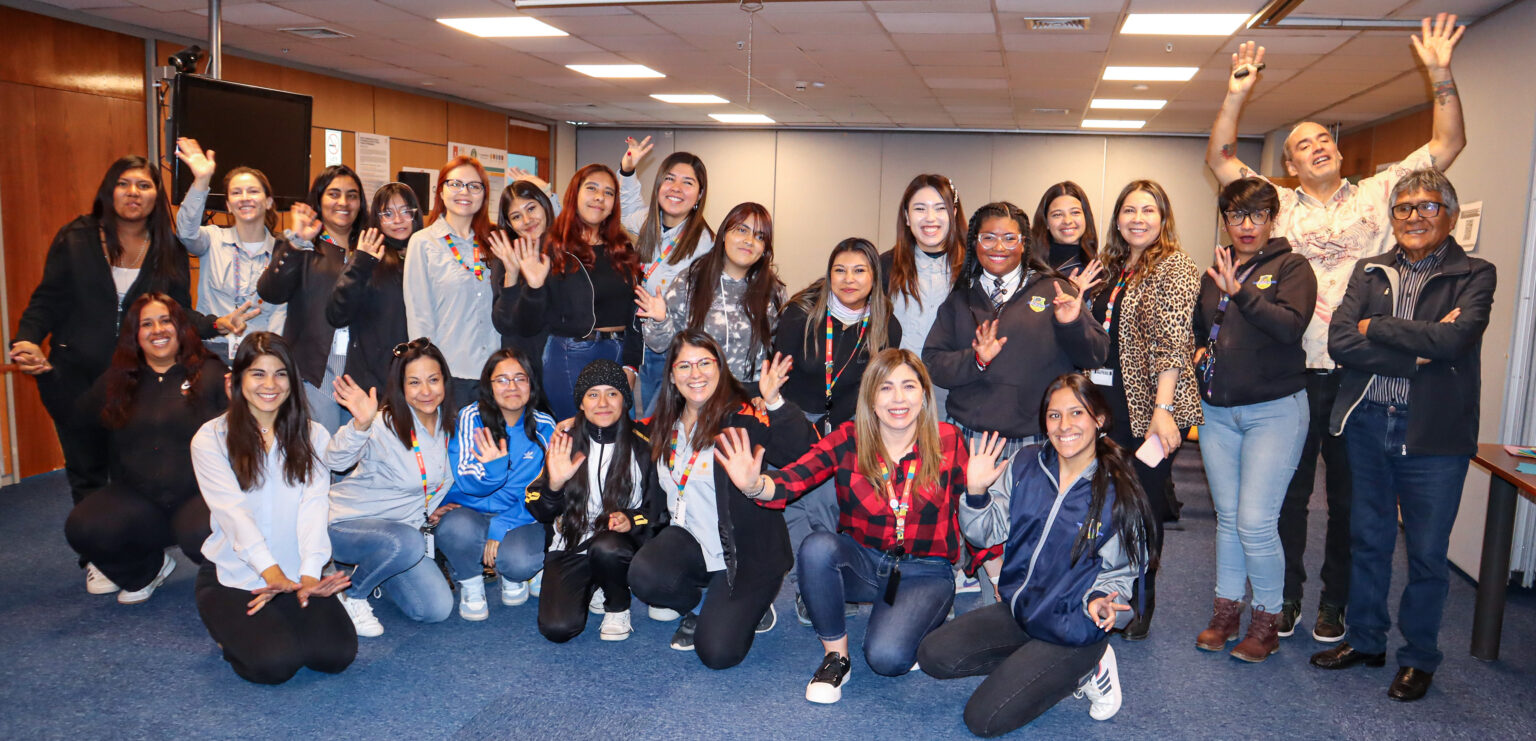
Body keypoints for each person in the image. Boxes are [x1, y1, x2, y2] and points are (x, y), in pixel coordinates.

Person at [1205, 14, 1468, 640]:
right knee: (1288, 500)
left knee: (1352, 501)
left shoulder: (1381, 193)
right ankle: (1286, 600)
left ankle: (1335, 602)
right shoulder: (1277, 205)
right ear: (1288, 163)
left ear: (1339, 150)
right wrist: (1237, 93)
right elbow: (1219, 157)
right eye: (1301, 144)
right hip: (1292, 374)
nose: (1315, 146)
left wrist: (1439, 71)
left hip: (1362, 368)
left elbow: (1450, 144)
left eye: (1324, 138)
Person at [1310, 169, 1495, 703]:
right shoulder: (1370, 271)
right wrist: (1416, 350)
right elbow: (1341, 342)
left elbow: (1455, 340)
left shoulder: (1476, 274)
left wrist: (1378, 328)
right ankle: (1366, 641)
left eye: (1428, 206)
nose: (1414, 217)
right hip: (1368, 424)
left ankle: (1418, 658)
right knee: (1367, 540)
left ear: (1451, 215)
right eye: (1403, 209)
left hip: (1434, 435)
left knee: (1428, 554)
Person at [716, 349, 967, 703]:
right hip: (864, 562)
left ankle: (920, 614)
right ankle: (836, 657)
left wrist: (996, 569)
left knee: (887, 659)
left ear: (924, 395)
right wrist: (754, 485)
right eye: (885, 388)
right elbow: (796, 478)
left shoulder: (949, 440)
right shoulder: (849, 438)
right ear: (871, 399)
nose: (898, 398)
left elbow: (972, 514)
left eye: (909, 387)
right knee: (818, 547)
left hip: (925, 569)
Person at [918, 374, 1161, 736]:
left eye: (1076, 413)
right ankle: (1037, 664)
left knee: (982, 719)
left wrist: (1101, 600)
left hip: (1073, 627)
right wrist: (975, 492)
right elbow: (984, 532)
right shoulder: (1025, 464)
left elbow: (1124, 571)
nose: (1064, 426)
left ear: (1098, 419)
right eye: (1054, 415)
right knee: (933, 655)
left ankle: (1089, 664)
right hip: (1021, 611)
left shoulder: (1119, 490)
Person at [10, 155, 246, 519]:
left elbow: (177, 311)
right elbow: (47, 299)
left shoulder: (168, 248)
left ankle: (137, 555)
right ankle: (98, 559)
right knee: (84, 465)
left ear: (156, 196)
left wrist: (217, 323)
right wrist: (26, 339)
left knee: (130, 469)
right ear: (109, 191)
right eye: (124, 184)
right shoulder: (77, 237)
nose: (133, 192)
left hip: (136, 376)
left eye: (144, 185)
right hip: (75, 372)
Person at [628, 330, 815, 668]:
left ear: (721, 368)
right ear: (671, 375)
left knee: (717, 653)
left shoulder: (743, 417)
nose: (695, 374)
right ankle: (703, 603)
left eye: (704, 363)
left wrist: (773, 403)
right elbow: (623, 432)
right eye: (684, 366)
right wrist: (578, 424)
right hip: (692, 541)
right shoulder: (665, 423)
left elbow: (802, 453)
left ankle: (755, 605)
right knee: (644, 575)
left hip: (746, 553)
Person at [1192, 179, 1317, 661]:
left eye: (1258, 216)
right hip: (1218, 413)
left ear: (1272, 220)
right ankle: (1226, 611)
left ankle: (1267, 619)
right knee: (1228, 520)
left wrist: (1241, 292)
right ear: (1224, 219)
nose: (1247, 226)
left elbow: (1290, 326)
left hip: (1275, 411)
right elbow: (1202, 329)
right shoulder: (1213, 270)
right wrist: (1201, 348)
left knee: (1256, 522)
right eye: (1237, 216)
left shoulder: (1292, 266)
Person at [189, 332, 355, 685]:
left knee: (335, 655)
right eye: (258, 373)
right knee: (274, 665)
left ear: (292, 382)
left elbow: (313, 510)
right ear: (236, 380)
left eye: (280, 373)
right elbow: (234, 516)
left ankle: (277, 613)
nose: (270, 384)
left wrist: (310, 576)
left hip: (296, 575)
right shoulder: (211, 438)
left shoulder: (314, 436)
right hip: (237, 576)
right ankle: (222, 624)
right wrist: (272, 575)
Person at [1086, 179, 1201, 640]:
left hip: (1153, 407)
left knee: (1145, 505)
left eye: (1148, 210)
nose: (1137, 218)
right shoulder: (1113, 266)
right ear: (1117, 218)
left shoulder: (1175, 267)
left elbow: (1173, 342)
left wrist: (1164, 408)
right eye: (1129, 210)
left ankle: (1140, 602)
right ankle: (1106, 593)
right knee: (1109, 504)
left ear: (1163, 217)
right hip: (1107, 404)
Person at [64, 294, 227, 603]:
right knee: (83, 526)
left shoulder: (211, 373)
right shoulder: (117, 380)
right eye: (146, 324)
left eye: (166, 321)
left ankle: (228, 593)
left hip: (198, 498)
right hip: (139, 501)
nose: (158, 330)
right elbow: (78, 422)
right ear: (135, 335)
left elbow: (247, 435)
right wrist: (50, 375)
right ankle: (146, 570)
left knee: (205, 535)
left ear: (181, 328)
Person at [773, 237, 901, 623]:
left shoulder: (884, 324)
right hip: (797, 422)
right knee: (796, 506)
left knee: (830, 505)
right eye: (840, 270)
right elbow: (780, 375)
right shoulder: (800, 314)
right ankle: (803, 587)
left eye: (860, 270)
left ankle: (824, 577)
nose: (849, 279)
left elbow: (879, 386)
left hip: (848, 430)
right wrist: (792, 425)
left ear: (874, 277)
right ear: (829, 274)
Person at [925, 200, 1109, 460]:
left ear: (1024, 244)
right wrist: (975, 360)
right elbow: (933, 362)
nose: (999, 247)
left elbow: (1096, 355)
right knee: (969, 503)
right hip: (970, 439)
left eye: (1010, 238)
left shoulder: (1054, 290)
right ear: (975, 243)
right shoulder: (961, 298)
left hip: (1035, 439)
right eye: (988, 238)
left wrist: (1071, 324)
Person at [325, 339, 457, 636]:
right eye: (414, 382)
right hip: (345, 524)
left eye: (433, 380)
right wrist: (360, 425)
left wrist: (433, 506)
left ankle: (372, 569)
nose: (426, 391)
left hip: (400, 533)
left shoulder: (451, 427)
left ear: (445, 382)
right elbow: (334, 460)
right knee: (406, 542)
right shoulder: (383, 422)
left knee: (435, 609)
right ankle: (353, 595)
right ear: (401, 387)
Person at [525, 359, 660, 643]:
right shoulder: (564, 442)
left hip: (619, 546)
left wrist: (631, 518)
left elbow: (659, 511)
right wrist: (555, 484)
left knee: (607, 547)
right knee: (558, 629)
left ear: (624, 400)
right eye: (592, 394)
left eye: (612, 393)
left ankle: (617, 605)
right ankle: (593, 584)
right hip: (571, 545)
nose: (603, 402)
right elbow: (539, 509)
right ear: (581, 404)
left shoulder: (644, 445)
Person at [499, 165, 642, 422]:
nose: (599, 197)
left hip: (619, 354)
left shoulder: (623, 247)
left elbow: (635, 312)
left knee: (616, 443)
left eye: (608, 192)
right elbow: (526, 324)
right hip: (572, 355)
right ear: (574, 194)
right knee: (575, 440)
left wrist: (632, 364)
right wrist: (534, 286)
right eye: (591, 189)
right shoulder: (552, 247)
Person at [436, 347, 557, 621]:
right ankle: (470, 581)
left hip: (519, 516)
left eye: (520, 378)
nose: (512, 386)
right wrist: (494, 470)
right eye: (502, 380)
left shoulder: (545, 426)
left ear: (531, 384)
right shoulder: (470, 418)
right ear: (489, 387)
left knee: (520, 563)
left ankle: (514, 572)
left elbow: (548, 492)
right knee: (456, 528)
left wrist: (504, 525)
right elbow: (467, 482)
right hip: (470, 512)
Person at [258, 165, 369, 433]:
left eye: (352, 195)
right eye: (334, 194)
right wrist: (295, 242)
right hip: (315, 373)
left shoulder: (370, 248)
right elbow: (271, 292)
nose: (343, 202)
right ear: (319, 199)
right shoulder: (304, 246)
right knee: (319, 457)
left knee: (357, 459)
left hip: (361, 372)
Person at [634, 202, 785, 383]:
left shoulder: (774, 290)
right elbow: (660, 345)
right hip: (699, 391)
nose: (749, 241)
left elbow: (780, 350)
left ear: (764, 249)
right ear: (723, 235)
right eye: (742, 230)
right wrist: (660, 321)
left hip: (751, 396)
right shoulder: (690, 281)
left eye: (760, 236)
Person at [618, 137, 715, 413]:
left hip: (673, 350)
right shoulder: (650, 222)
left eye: (688, 182)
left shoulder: (703, 243)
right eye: (670, 179)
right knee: (637, 422)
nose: (676, 188)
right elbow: (625, 211)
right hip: (640, 344)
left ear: (699, 194)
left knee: (657, 426)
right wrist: (627, 171)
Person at [172, 137, 286, 359]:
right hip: (213, 350)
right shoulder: (212, 238)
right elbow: (185, 232)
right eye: (236, 193)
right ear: (228, 206)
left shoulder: (283, 252)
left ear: (269, 201)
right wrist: (202, 180)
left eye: (253, 191)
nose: (244, 198)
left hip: (263, 354)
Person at [404, 156, 500, 405]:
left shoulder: (494, 241)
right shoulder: (423, 242)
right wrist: (428, 375)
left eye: (474, 186)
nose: (464, 192)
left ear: (484, 195)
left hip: (495, 374)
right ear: (441, 191)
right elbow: (419, 315)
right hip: (450, 375)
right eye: (455, 184)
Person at [881, 174, 965, 408]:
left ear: (954, 214)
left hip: (953, 398)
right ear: (907, 217)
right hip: (895, 393)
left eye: (940, 208)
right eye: (920, 209)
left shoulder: (974, 269)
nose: (930, 218)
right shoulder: (884, 267)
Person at [325, 183, 417, 396]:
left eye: (405, 211)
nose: (397, 220)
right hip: (372, 382)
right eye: (387, 213)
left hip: (417, 378)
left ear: (415, 215)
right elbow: (337, 315)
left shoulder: (426, 253)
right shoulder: (368, 256)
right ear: (377, 219)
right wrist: (361, 262)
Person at [489, 179, 558, 382]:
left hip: (558, 362)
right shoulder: (507, 254)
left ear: (545, 206)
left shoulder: (565, 251)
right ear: (509, 224)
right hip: (521, 368)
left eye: (531, 208)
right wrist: (511, 272)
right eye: (517, 216)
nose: (527, 220)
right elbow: (503, 324)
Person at [1031, 181, 1099, 275]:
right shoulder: (1029, 264)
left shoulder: (1094, 270)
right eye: (1057, 214)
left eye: (1075, 212)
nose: (1067, 221)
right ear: (1045, 221)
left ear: (1086, 218)